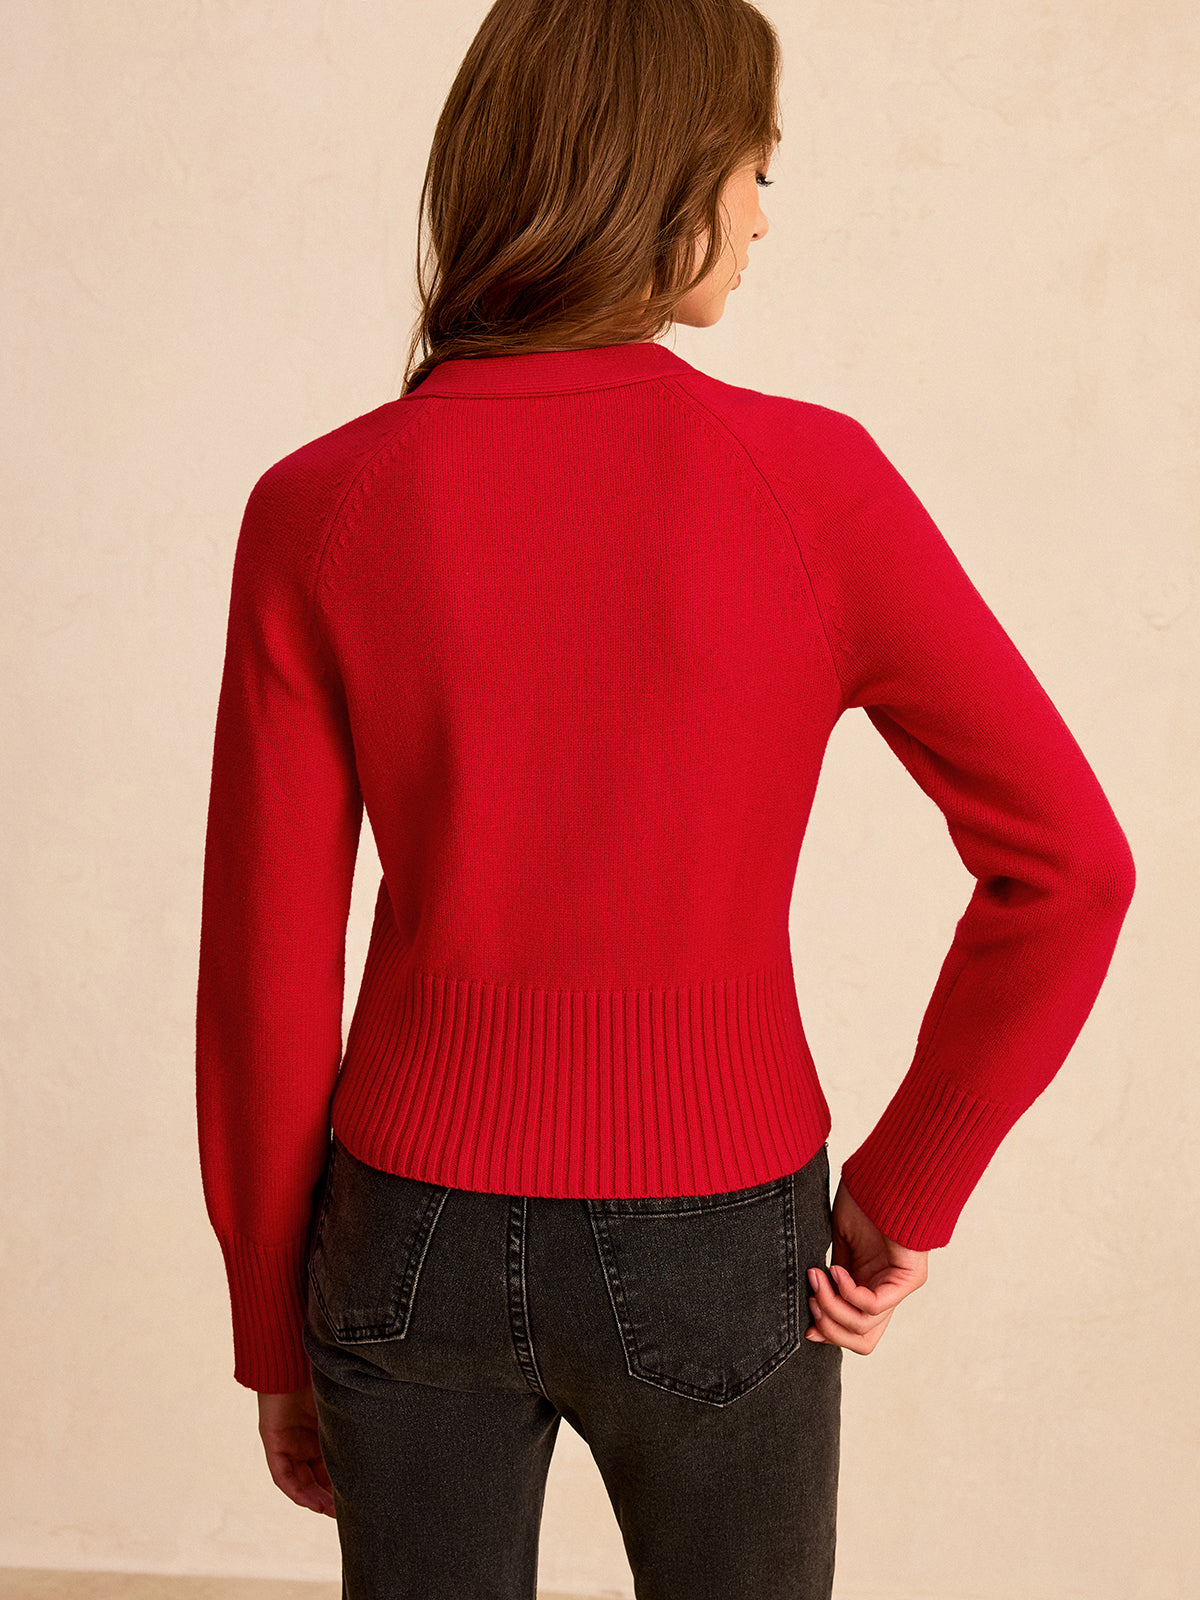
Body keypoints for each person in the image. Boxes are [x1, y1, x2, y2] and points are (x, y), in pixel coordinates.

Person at [194, 1, 1136, 1596]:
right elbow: (1073, 869)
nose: (765, 217)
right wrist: (909, 1184)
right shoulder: (810, 485)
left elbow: (263, 977)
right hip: (721, 1229)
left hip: (404, 1233)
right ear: (664, 176)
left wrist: (273, 1334)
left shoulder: (320, 506)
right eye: (758, 171)